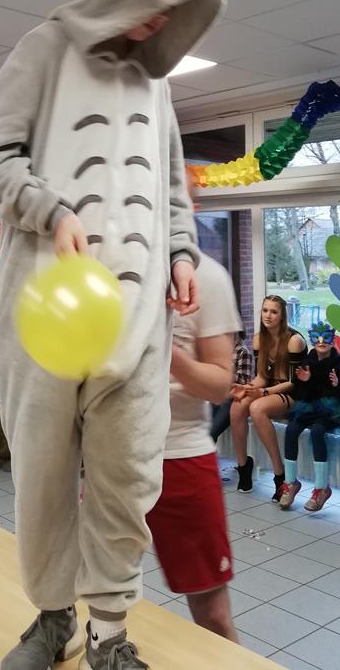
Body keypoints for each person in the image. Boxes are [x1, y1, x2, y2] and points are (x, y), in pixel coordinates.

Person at [0, 0, 224, 670]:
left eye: (174, 13)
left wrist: (181, 253)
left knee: (126, 481)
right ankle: (53, 618)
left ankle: (110, 634)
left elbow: (171, 188)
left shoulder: (157, 82)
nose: (160, 22)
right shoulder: (45, 48)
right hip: (46, 316)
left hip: (137, 323)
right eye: (155, 4)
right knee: (44, 479)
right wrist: (51, 210)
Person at [146, 245, 242, 643]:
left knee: (213, 616)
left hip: (181, 456)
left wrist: (159, 346)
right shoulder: (108, 264)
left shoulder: (209, 275)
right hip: (111, 454)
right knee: (95, 594)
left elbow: (219, 385)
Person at [229, 295, 307, 498]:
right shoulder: (258, 339)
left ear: (282, 316)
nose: (268, 315)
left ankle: (280, 474)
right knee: (237, 405)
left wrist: (262, 392)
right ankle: (243, 466)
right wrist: (246, 387)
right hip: (271, 388)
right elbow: (262, 377)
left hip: (294, 393)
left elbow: (294, 382)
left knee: (257, 408)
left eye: (274, 312)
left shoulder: (294, 341)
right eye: (265, 310)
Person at [279, 321, 340, 512]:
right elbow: (300, 394)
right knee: (291, 429)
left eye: (326, 338)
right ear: (312, 340)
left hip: (332, 411)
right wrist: (305, 382)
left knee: (317, 431)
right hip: (309, 409)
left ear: (333, 341)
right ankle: (290, 482)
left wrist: (339, 385)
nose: (321, 342)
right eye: (317, 338)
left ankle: (321, 488)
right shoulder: (307, 363)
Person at [210, 331, 254, 445]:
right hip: (217, 396)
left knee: (211, 433)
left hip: (232, 399)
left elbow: (243, 381)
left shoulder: (242, 351)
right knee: (203, 432)